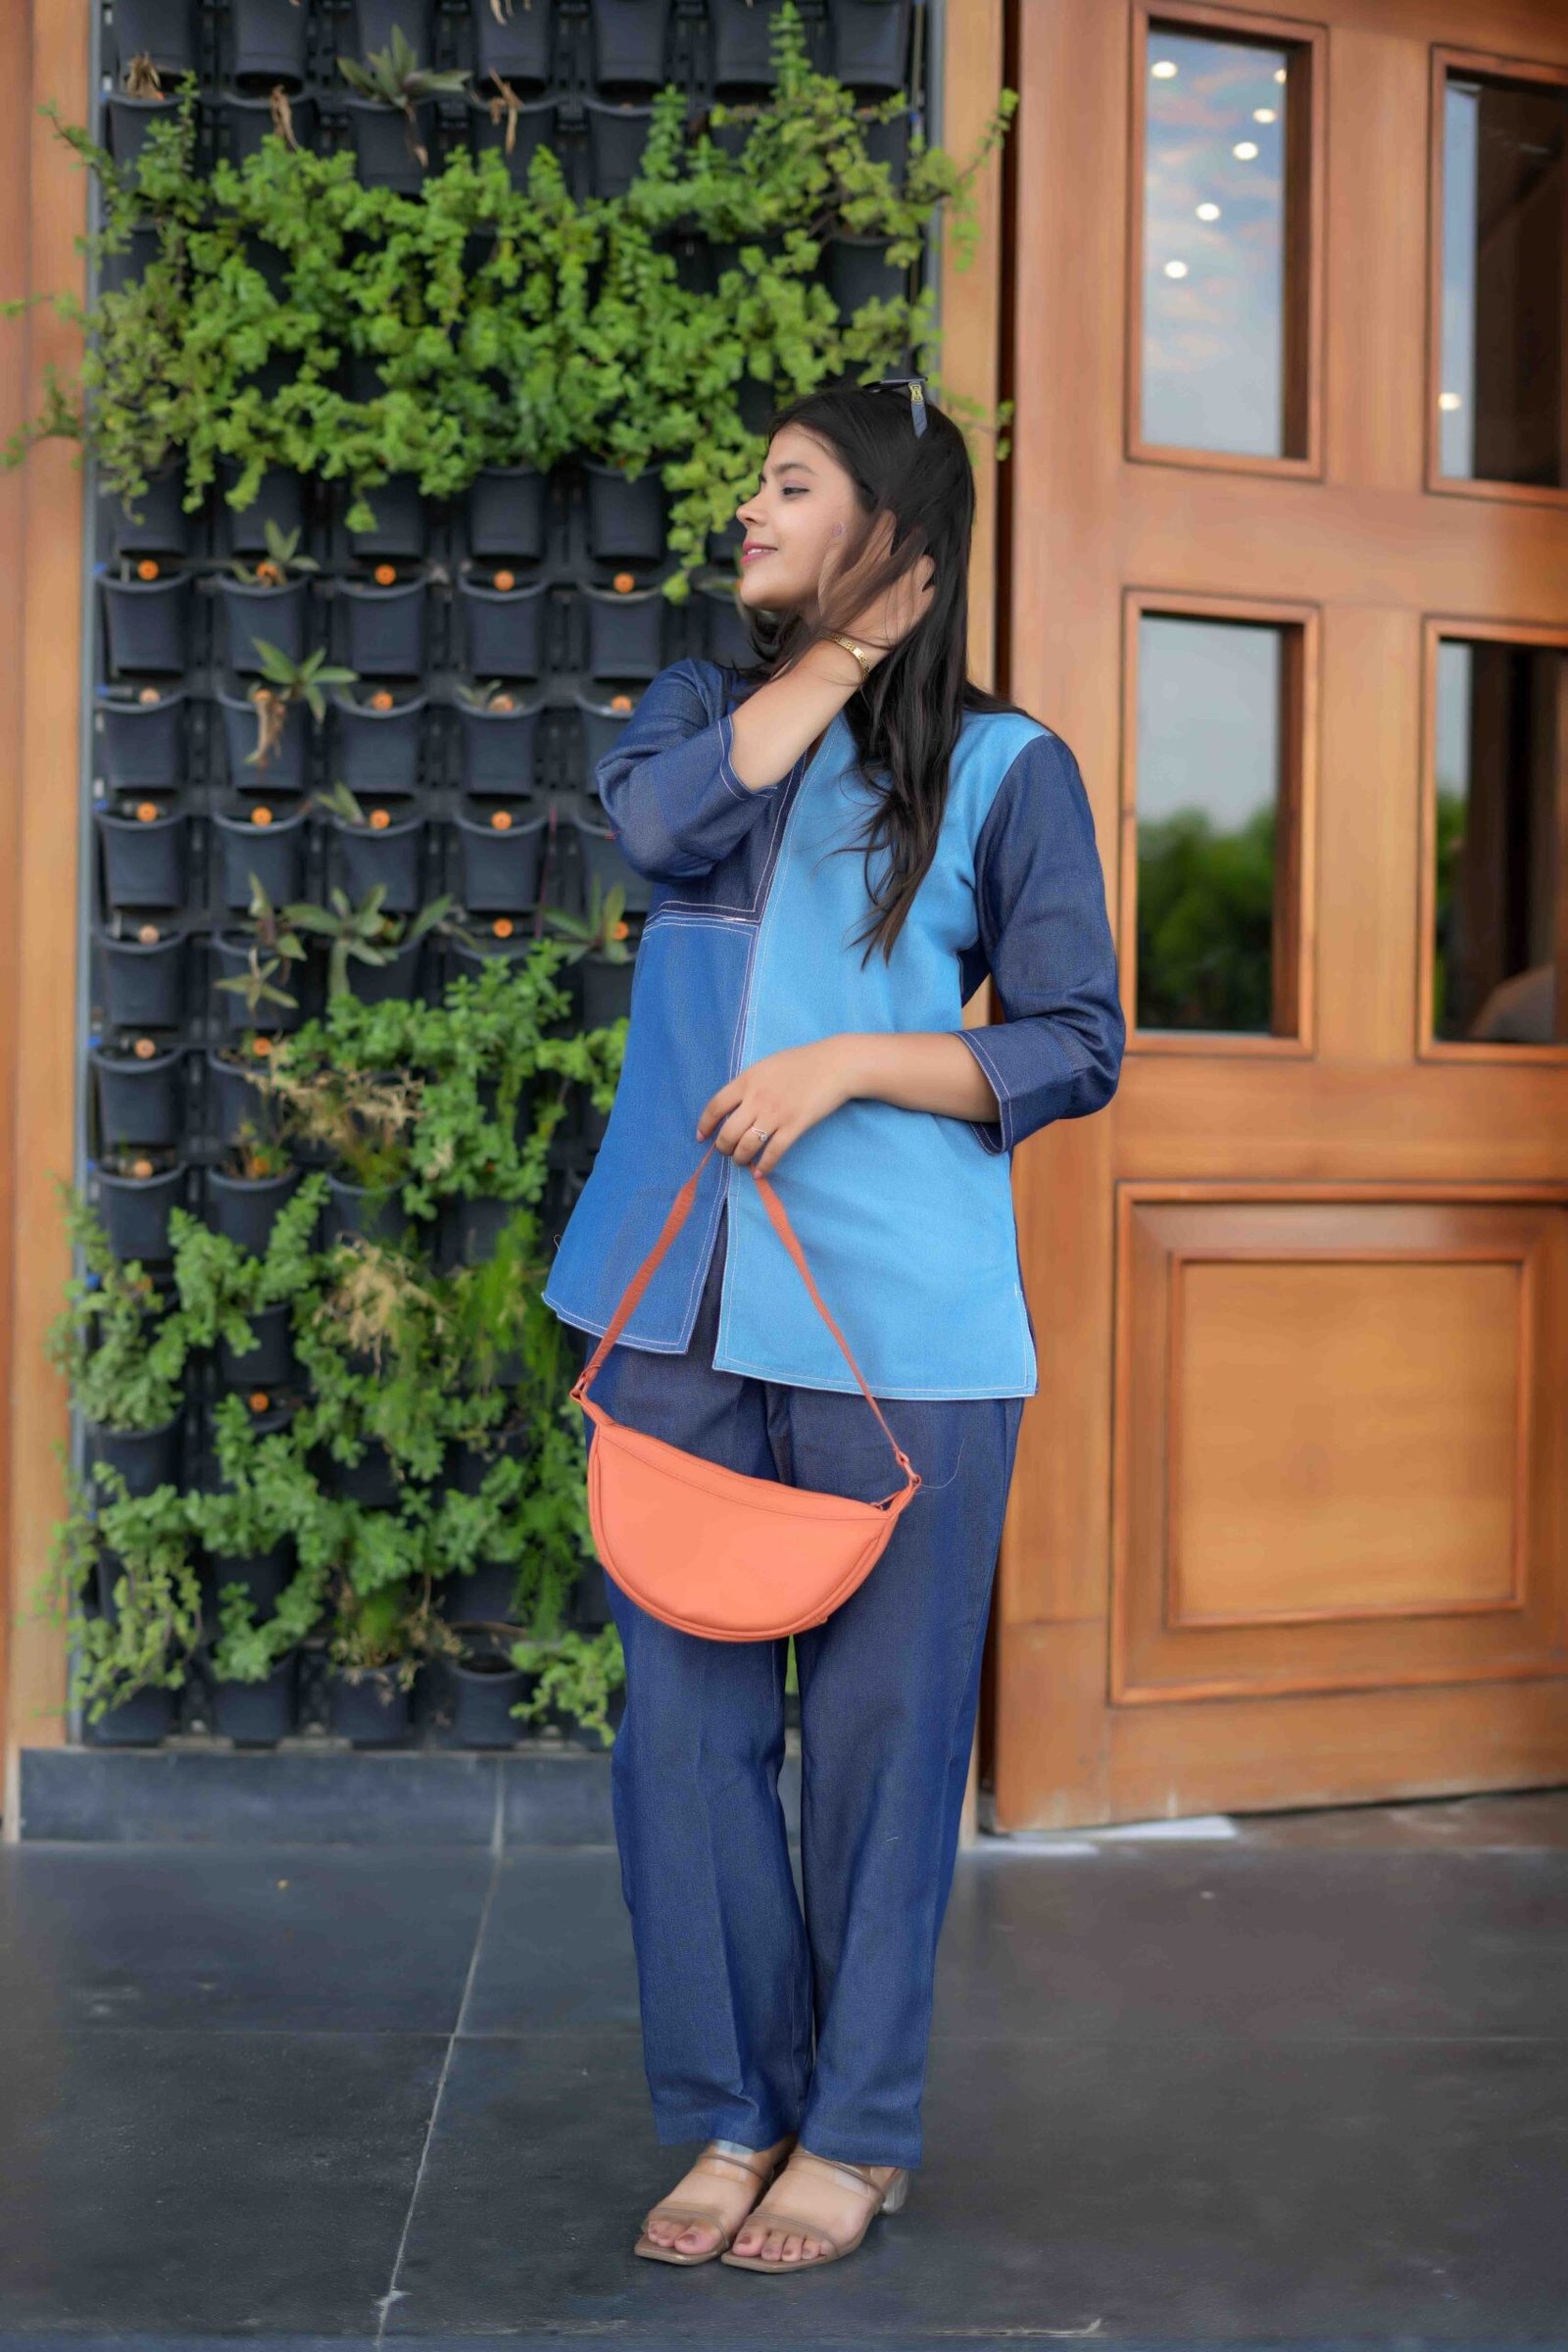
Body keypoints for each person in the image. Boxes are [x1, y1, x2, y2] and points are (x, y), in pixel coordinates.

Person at [541, 375, 1125, 2273]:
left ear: (894, 526)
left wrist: (858, 1061)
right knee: (681, 1746)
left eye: (790, 484)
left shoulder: (1008, 768)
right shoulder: (695, 720)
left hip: (904, 1332)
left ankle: (852, 2136)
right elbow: (658, 831)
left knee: (884, 1748)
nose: (749, 507)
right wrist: (844, 654)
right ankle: (735, 2113)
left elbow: (1073, 1042)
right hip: (670, 1307)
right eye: (755, 482)